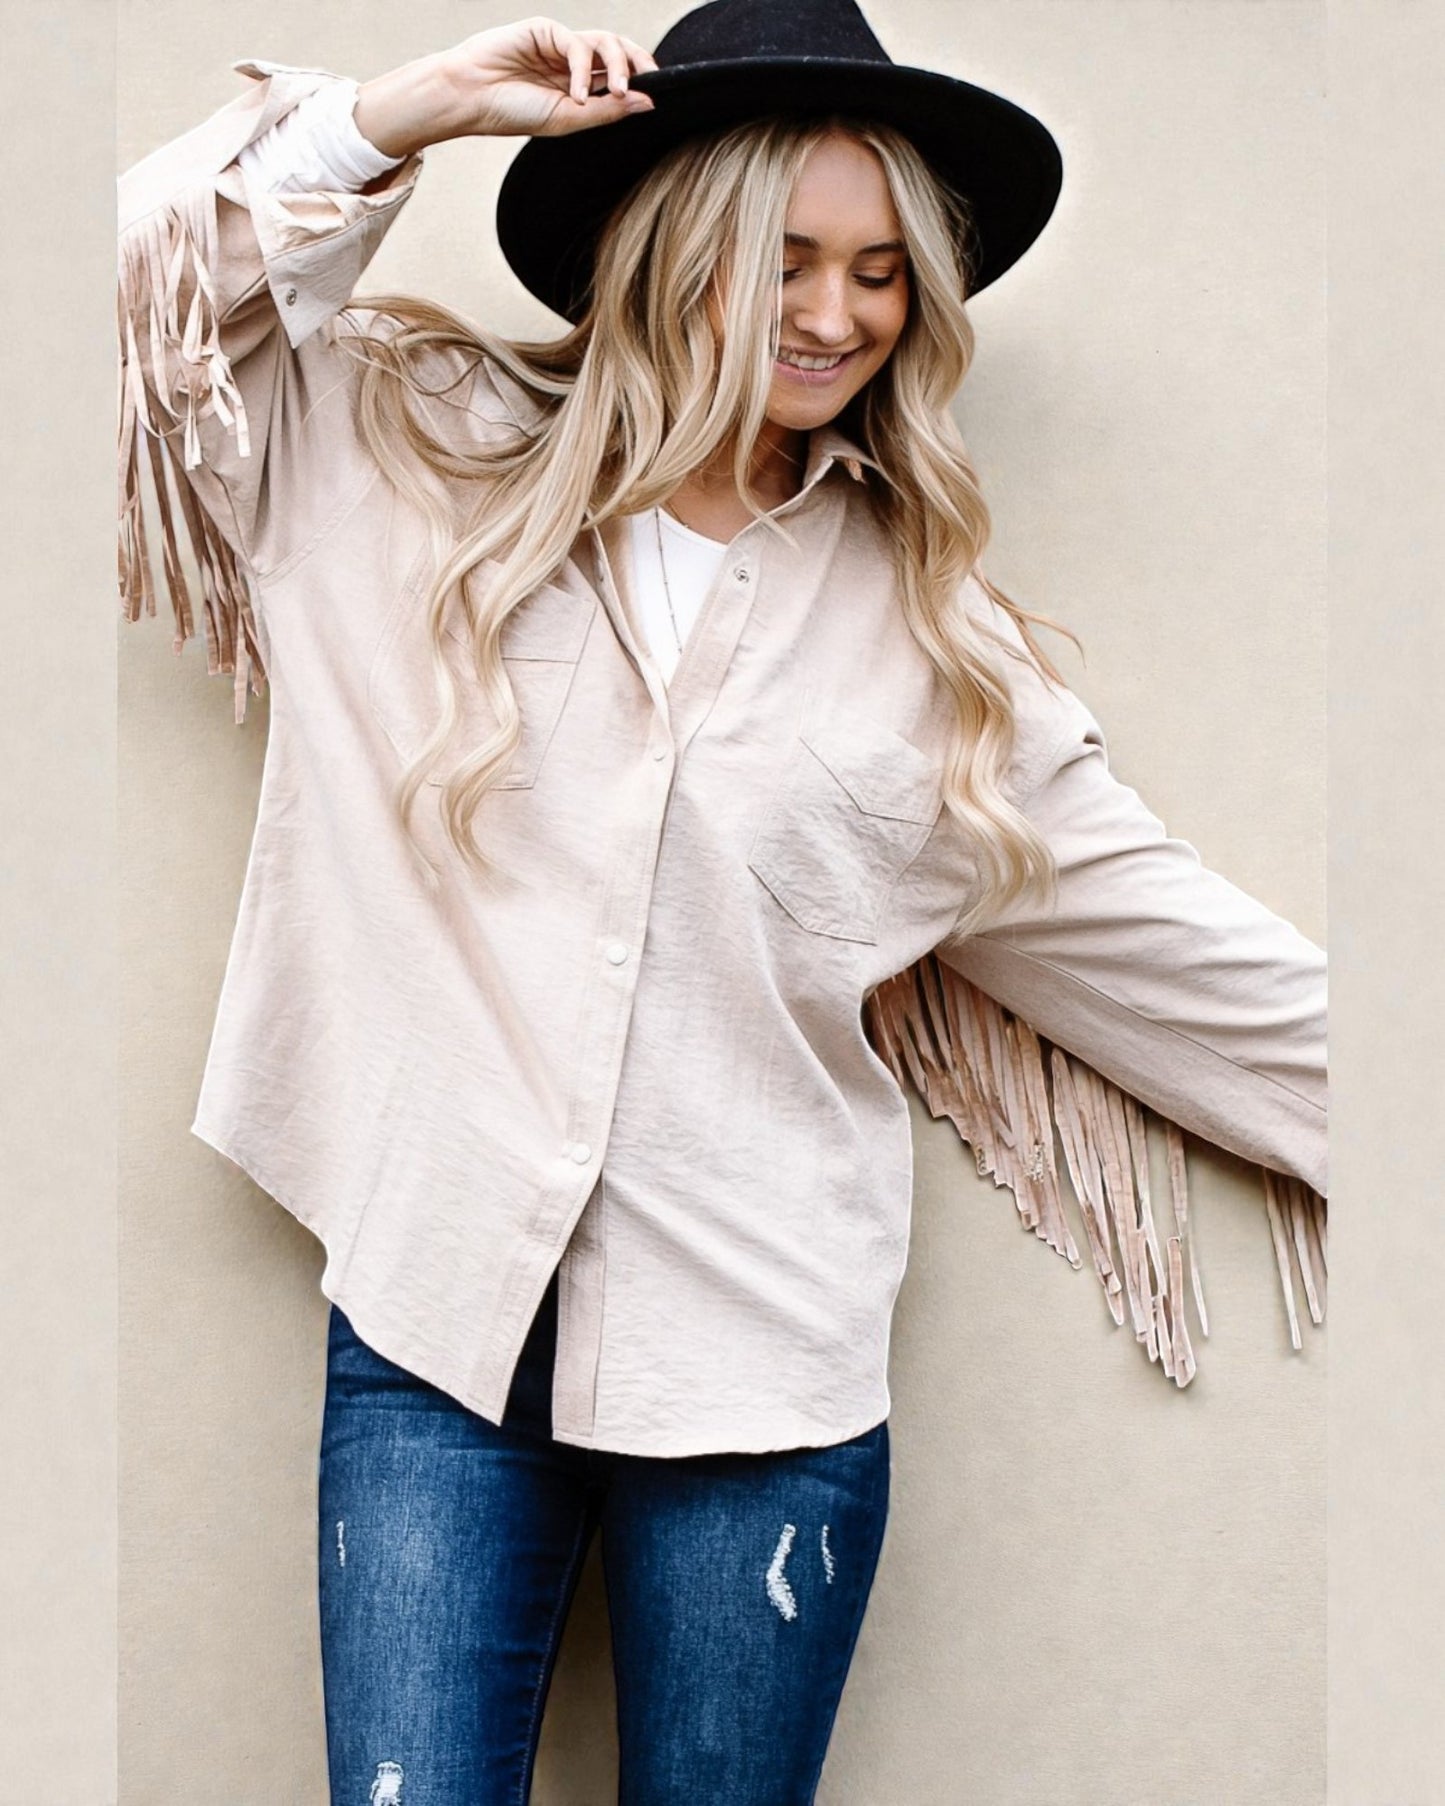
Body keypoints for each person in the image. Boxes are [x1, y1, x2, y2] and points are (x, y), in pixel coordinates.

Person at [116, 3, 1327, 1800]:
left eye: (877, 273)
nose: (836, 318)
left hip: (765, 1377)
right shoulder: (397, 447)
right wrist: (403, 118)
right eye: (781, 260)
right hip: (433, 1325)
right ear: (668, 243)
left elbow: (1181, 956)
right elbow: (151, 304)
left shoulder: (935, 651)